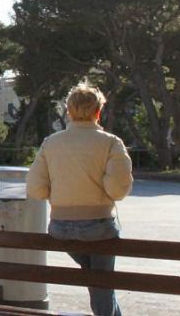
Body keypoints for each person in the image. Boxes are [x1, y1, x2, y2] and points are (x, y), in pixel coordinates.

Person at [27, 83, 133, 316]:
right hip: (99, 229)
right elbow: (117, 191)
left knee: (97, 281)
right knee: (101, 284)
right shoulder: (111, 142)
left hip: (61, 229)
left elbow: (36, 189)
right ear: (98, 111)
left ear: (69, 112)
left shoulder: (50, 143)